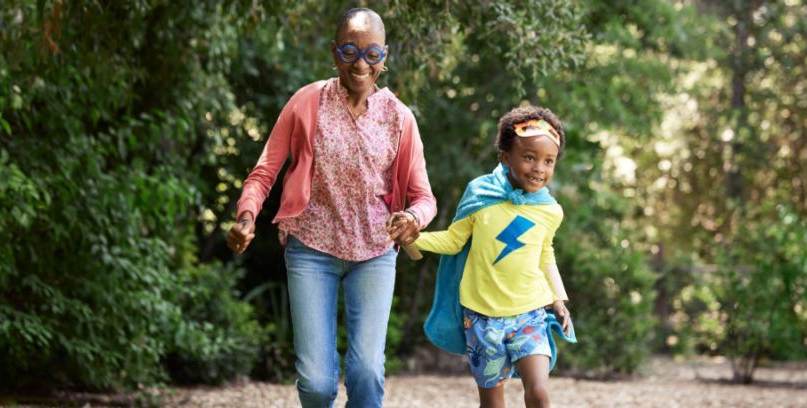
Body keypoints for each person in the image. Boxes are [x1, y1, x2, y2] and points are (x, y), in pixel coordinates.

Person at [225, 7, 436, 408]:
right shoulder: (307, 103)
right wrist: (247, 215)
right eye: (350, 51)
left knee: (367, 372)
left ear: (384, 57)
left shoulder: (400, 119)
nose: (361, 63)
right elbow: (264, 172)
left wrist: (413, 218)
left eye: (372, 54)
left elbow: (424, 198)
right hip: (311, 248)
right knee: (318, 383)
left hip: (374, 253)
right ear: (334, 53)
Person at [397, 106, 576, 408]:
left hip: (529, 313)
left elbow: (545, 255)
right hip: (482, 317)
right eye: (529, 157)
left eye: (548, 161)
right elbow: (454, 241)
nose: (539, 169)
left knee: (540, 392)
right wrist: (417, 238)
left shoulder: (550, 210)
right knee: (493, 403)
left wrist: (558, 300)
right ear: (505, 157)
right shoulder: (480, 195)